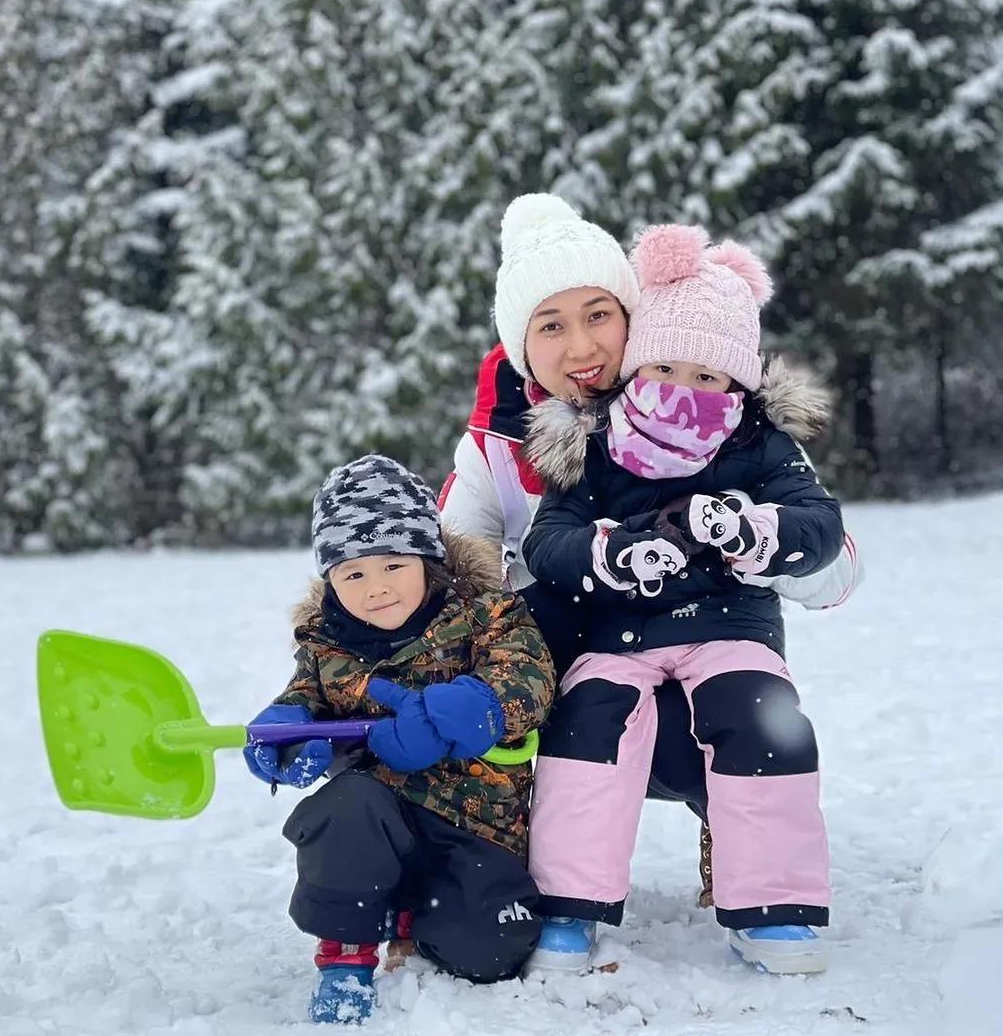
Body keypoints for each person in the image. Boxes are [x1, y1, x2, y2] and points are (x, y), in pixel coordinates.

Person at [439, 194, 858, 907]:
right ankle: (491, 847)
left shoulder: (723, 414)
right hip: (562, 666)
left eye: (599, 315)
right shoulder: (495, 449)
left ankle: (735, 824)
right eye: (551, 325)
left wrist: (744, 540)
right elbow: (449, 584)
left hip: (696, 654)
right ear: (520, 345)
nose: (581, 348)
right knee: (497, 686)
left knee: (739, 711)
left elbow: (834, 565)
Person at [521, 223, 847, 976]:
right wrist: (611, 554)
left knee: (761, 719)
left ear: (738, 383)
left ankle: (774, 908)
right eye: (663, 366)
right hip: (619, 636)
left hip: (731, 628)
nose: (682, 389)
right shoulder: (595, 442)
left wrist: (754, 530)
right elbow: (549, 539)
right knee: (588, 723)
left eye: (708, 376)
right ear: (637, 364)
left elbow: (820, 524)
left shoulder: (760, 444)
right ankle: (568, 904)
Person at [244, 454, 555, 1023]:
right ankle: (347, 951)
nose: (377, 588)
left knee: (490, 951)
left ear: (427, 558)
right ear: (331, 580)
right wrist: (284, 731)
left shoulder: (488, 615)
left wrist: (466, 710)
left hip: (475, 825)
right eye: (353, 574)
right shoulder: (325, 644)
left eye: (392, 564)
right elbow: (303, 699)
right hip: (375, 821)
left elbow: (527, 678)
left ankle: (415, 913)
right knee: (344, 807)